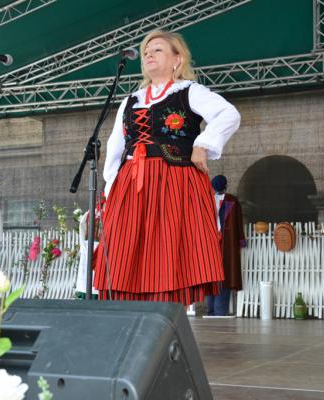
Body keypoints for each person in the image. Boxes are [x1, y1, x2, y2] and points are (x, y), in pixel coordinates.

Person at [93, 30, 241, 305]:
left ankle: (166, 318)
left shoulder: (189, 92)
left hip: (174, 179)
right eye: (146, 51)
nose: (148, 54)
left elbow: (228, 114)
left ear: (177, 59)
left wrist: (203, 144)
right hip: (132, 182)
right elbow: (115, 148)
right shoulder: (130, 101)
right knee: (125, 250)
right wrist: (113, 189)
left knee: (167, 250)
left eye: (157, 49)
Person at [206, 175, 246, 316]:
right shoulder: (232, 201)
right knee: (223, 275)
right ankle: (219, 311)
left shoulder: (207, 200)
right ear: (225, 186)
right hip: (225, 242)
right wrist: (241, 241)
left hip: (211, 242)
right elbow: (239, 223)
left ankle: (212, 311)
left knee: (212, 276)